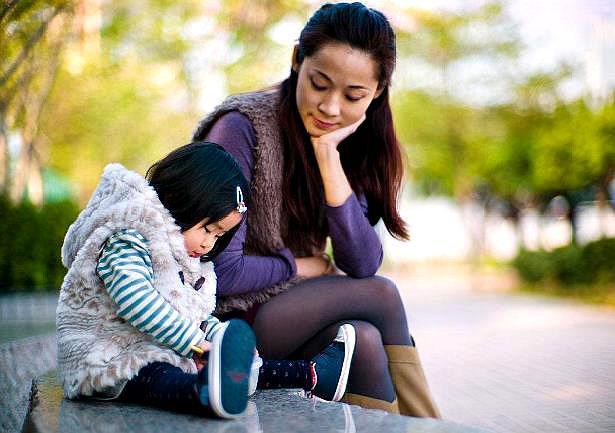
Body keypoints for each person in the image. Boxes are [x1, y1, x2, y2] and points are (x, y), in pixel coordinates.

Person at [193, 2, 440, 416]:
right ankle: (431, 423)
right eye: (320, 84)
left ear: (377, 92)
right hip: (228, 323)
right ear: (296, 61)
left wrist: (328, 156)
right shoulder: (240, 128)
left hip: (291, 313)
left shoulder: (350, 138)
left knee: (362, 341)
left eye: (353, 95)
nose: (330, 107)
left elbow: (360, 260)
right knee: (382, 294)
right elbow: (221, 271)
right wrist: (302, 266)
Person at [56, 142, 354, 419]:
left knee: (234, 367)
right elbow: (135, 300)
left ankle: (312, 374)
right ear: (181, 199)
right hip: (104, 359)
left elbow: (192, 316)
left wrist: (217, 338)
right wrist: (196, 345)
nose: (209, 243)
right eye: (208, 228)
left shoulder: (184, 259)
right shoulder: (128, 237)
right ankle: (202, 393)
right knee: (155, 373)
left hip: (153, 348)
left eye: (219, 235)